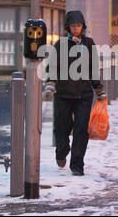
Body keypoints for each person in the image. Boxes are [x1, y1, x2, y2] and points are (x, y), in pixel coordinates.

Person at [44, 10, 106, 176]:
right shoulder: (61, 44)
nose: (76, 29)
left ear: (83, 27)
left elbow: (93, 68)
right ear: (68, 27)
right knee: (61, 128)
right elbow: (53, 65)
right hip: (63, 94)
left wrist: (98, 88)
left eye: (79, 26)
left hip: (83, 95)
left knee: (81, 130)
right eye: (73, 26)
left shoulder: (88, 43)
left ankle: (77, 165)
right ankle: (61, 151)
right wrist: (50, 83)